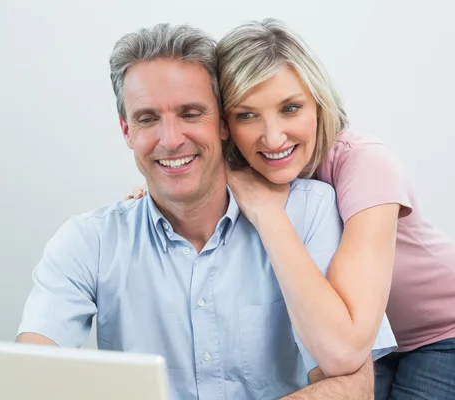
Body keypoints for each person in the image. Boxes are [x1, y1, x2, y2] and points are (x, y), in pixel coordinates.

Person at [16, 23, 395, 399]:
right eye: (147, 118)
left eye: (191, 113)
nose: (171, 140)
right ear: (126, 130)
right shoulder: (89, 241)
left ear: (222, 124)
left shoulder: (313, 208)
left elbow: (352, 385)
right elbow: (29, 373)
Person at [128, 18, 455, 399]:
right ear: (223, 123)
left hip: (439, 334)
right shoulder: (246, 171)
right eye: (246, 115)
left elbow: (345, 346)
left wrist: (268, 214)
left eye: (290, 108)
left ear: (318, 103)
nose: (273, 136)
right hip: (372, 347)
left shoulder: (365, 165)